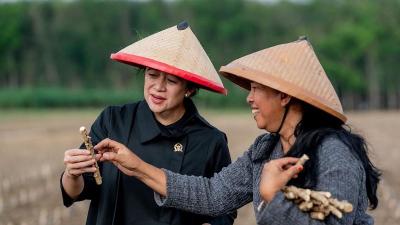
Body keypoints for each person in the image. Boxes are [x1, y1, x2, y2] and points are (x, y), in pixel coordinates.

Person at [94, 37, 381, 225]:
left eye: (256, 89)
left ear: (284, 97)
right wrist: (138, 167)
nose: (249, 98)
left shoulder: (334, 152)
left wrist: (272, 195)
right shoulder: (265, 149)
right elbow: (212, 194)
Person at [60, 21, 236, 225]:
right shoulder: (114, 121)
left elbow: (224, 211)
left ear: (189, 88)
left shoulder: (209, 140)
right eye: (152, 75)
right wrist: (72, 174)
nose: (158, 87)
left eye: (171, 81)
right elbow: (78, 190)